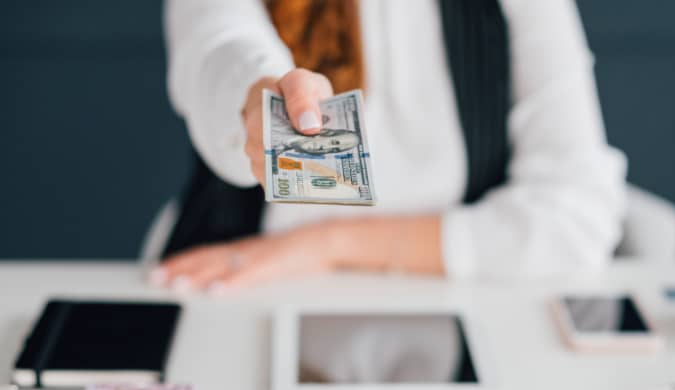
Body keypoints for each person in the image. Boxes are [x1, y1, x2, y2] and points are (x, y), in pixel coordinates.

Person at [151, 0, 627, 292]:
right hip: (240, 295)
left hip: (452, 312)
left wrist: (326, 246)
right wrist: (255, 97)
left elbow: (575, 215)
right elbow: (216, 42)